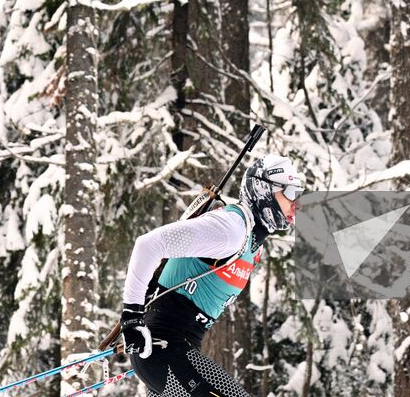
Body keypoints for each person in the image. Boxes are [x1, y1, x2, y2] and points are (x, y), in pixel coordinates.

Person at [119, 154, 305, 397]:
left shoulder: (252, 242)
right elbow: (148, 244)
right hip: (163, 347)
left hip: (176, 352)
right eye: (290, 193)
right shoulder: (231, 229)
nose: (297, 203)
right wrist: (131, 317)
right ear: (264, 190)